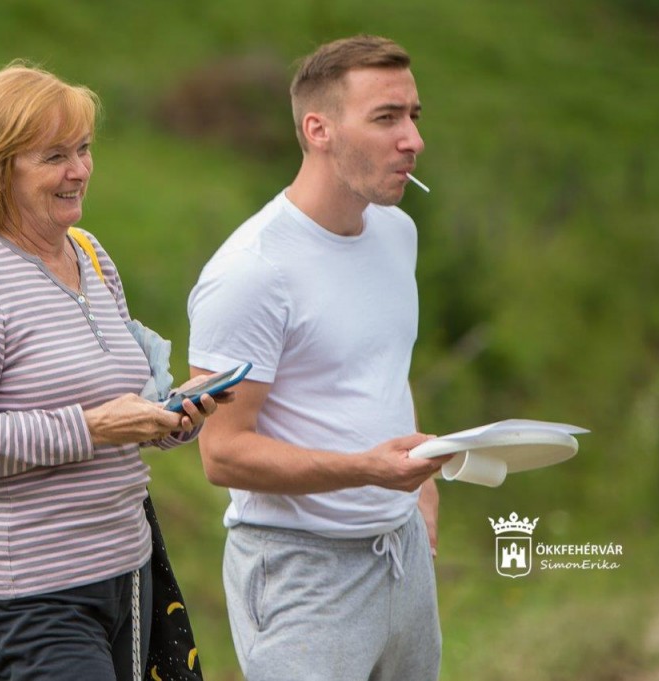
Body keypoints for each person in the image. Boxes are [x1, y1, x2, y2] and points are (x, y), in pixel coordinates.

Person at [0, 61, 220, 681]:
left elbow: (122, 402)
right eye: (55, 156)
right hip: (31, 595)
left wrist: (171, 415)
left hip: (127, 574)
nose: (79, 170)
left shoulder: (89, 253)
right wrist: (94, 427)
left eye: (82, 149)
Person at [187, 35, 452, 680]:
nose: (413, 140)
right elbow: (222, 453)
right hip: (302, 574)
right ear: (319, 130)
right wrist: (367, 470)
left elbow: (381, 372)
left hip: (401, 557)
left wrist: (421, 490)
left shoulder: (397, 232)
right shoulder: (251, 271)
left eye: (413, 116)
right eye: (386, 118)